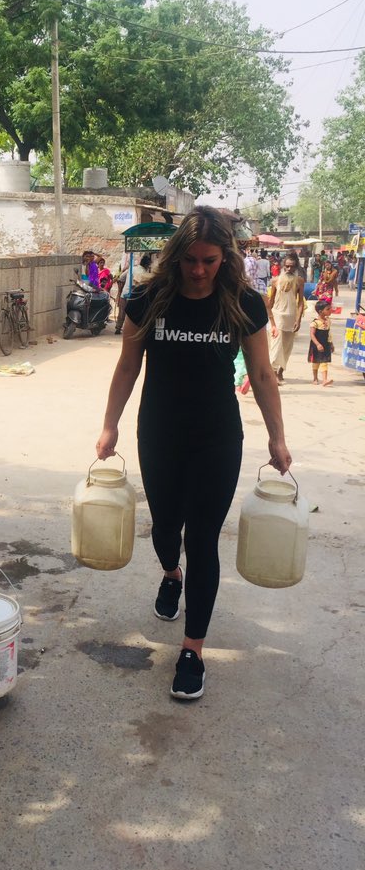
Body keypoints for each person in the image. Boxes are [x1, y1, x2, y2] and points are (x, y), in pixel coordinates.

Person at [96, 206, 291, 701]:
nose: (199, 270)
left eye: (209, 260)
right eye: (190, 260)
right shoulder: (147, 299)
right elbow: (126, 367)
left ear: (224, 258)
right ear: (175, 256)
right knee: (165, 528)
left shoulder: (243, 302)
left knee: (203, 538)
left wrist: (277, 437)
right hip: (159, 432)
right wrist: (109, 427)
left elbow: (263, 374)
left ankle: (192, 651)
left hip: (217, 437)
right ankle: (169, 573)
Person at [266, 253, 306, 384]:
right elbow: (270, 302)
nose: (289, 269)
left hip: (291, 316)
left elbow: (300, 302)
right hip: (277, 316)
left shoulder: (299, 281)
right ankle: (273, 373)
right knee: (275, 345)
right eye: (287, 267)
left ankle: (280, 371)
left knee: (287, 346)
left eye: (292, 267)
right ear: (283, 266)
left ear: (296, 267)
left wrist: (298, 320)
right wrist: (268, 318)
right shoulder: (275, 281)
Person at [308, 300, 334, 386]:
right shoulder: (315, 323)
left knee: (324, 361)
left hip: (326, 344)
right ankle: (315, 378)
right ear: (320, 311)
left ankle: (325, 380)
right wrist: (317, 344)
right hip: (317, 345)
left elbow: (329, 333)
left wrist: (331, 343)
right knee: (316, 361)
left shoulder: (328, 321)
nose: (330, 310)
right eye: (328, 309)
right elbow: (312, 334)